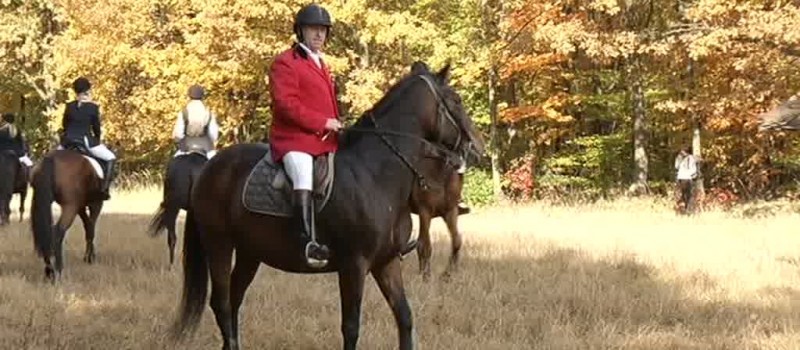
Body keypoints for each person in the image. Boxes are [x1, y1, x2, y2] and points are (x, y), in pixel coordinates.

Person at [267, 3, 343, 268]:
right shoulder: (284, 62)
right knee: (302, 172)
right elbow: (286, 105)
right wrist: (324, 122)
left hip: (324, 139)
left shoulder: (323, 63)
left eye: (323, 30)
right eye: (313, 29)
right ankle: (304, 241)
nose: (319, 35)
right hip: (293, 139)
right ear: (300, 31)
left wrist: (337, 125)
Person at [60, 77, 117, 200]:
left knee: (51, 158)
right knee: (111, 158)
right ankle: (104, 189)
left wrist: (67, 135)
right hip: (85, 140)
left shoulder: (69, 106)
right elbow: (96, 128)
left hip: (68, 141)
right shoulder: (93, 107)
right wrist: (97, 139)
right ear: (87, 90)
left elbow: (64, 124)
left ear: (75, 91)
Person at [172, 84, 220, 159]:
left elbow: (178, 134)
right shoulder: (208, 112)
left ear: (189, 95)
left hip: (186, 147)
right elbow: (214, 135)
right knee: (216, 167)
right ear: (202, 96)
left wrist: (178, 140)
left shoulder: (184, 112)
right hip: (206, 147)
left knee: (173, 163)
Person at [674, 146, 698, 214]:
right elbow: (677, 166)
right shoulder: (682, 157)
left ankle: (688, 210)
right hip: (684, 178)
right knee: (685, 195)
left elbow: (677, 167)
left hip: (685, 178)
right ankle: (686, 210)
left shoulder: (689, 158)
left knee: (687, 195)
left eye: (682, 151)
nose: (681, 153)